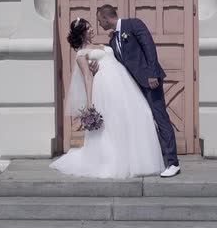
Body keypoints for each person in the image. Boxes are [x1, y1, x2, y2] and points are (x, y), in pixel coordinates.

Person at [49, 18, 165, 179]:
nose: (91, 30)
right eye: (88, 28)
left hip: (124, 85)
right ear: (81, 33)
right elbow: (88, 78)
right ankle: (114, 162)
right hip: (106, 89)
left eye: (90, 27)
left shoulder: (103, 43)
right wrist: (90, 103)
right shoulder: (81, 54)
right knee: (114, 124)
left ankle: (137, 161)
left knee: (140, 114)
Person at [96, 5, 181, 177]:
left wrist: (152, 74)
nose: (99, 25)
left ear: (106, 18)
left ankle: (173, 162)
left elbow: (149, 47)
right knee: (144, 121)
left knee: (160, 117)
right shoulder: (113, 40)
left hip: (150, 82)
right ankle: (154, 159)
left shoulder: (133, 24)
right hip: (133, 87)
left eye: (99, 21)